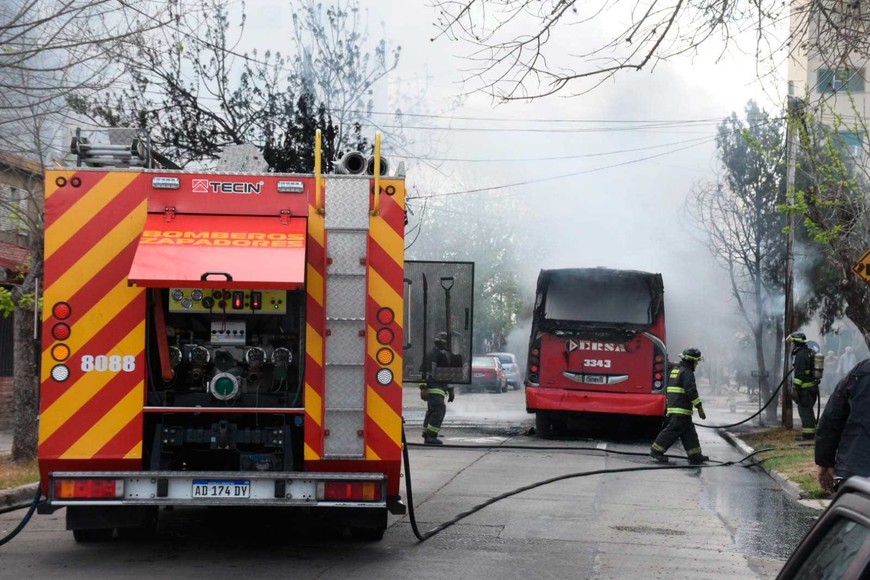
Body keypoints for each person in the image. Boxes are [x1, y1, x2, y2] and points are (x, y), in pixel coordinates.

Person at [815, 358, 870, 494]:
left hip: (855, 469)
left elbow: (832, 418)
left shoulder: (861, 372)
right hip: (855, 467)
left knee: (852, 512)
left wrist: (825, 462)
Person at [650, 347, 709, 465]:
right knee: (673, 430)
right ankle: (656, 450)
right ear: (690, 361)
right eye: (696, 361)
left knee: (689, 432)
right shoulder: (687, 373)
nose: (696, 364)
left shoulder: (676, 370)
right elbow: (691, 392)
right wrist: (700, 408)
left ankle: (695, 455)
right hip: (681, 408)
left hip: (676, 406)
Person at [419, 333, 455, 445]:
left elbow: (446, 374)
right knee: (439, 410)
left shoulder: (443, 355)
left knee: (432, 411)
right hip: (433, 388)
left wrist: (450, 389)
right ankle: (431, 436)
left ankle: (427, 434)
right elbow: (423, 373)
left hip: (439, 388)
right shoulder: (431, 355)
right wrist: (423, 388)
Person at [788, 332, 819, 441]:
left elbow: (800, 374)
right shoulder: (808, 352)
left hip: (805, 389)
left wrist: (795, 388)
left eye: (792, 342)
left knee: (805, 412)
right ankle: (810, 434)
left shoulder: (801, 355)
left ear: (796, 342)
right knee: (808, 411)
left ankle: (808, 436)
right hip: (811, 388)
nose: (792, 344)